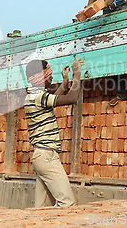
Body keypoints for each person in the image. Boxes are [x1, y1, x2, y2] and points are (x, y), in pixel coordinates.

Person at [24, 58, 84, 207]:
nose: (52, 76)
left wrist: (65, 82)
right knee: (67, 203)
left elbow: (53, 100)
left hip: (41, 157)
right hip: (47, 157)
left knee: (41, 209)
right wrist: (77, 75)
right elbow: (71, 98)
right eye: (48, 73)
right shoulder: (39, 97)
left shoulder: (33, 96)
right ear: (40, 76)